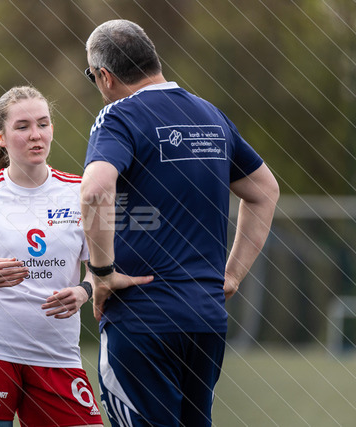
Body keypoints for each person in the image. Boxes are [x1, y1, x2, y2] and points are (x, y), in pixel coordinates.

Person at [79, 20, 279, 426]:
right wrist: (232, 275)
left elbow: (95, 190)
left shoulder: (119, 116)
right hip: (205, 318)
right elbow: (265, 189)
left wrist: (101, 273)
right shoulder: (210, 115)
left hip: (142, 318)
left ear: (105, 76)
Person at [0, 86, 103, 427]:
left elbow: (101, 269)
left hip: (57, 355)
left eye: (43, 124)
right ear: (1, 137)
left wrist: (84, 291)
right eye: (22, 126)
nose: (35, 135)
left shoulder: (80, 192)